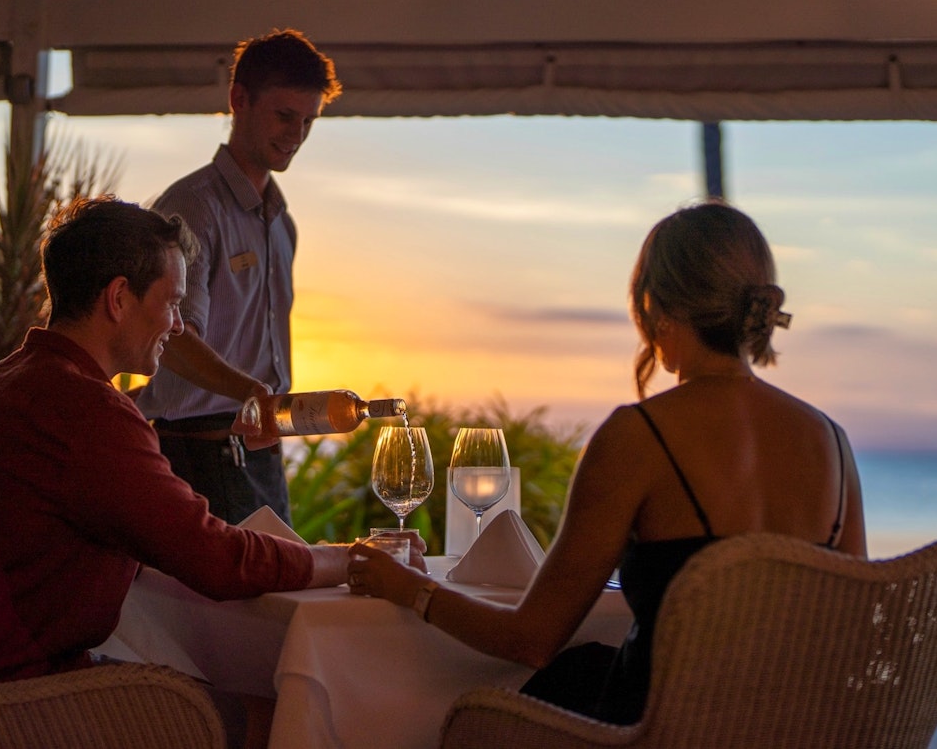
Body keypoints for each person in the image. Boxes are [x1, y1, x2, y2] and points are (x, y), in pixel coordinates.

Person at [345, 201, 866, 724]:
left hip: (660, 735)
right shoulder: (833, 444)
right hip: (791, 731)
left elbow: (531, 639)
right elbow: (852, 632)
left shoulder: (639, 438)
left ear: (652, 305)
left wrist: (413, 591)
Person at [0, 197, 351, 748]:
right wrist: (350, 560)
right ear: (118, 298)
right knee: (289, 720)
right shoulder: (83, 408)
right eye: (172, 303)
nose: (178, 326)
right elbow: (220, 561)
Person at [134, 28, 343, 526]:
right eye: (285, 116)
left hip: (259, 454)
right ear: (238, 100)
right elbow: (171, 335)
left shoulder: (281, 223)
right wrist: (254, 393)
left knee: (277, 597)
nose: (296, 135)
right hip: (200, 457)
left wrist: (261, 404)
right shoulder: (192, 208)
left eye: (308, 121)